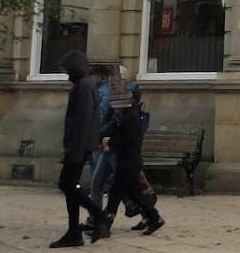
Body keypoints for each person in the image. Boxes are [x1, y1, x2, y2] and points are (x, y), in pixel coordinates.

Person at [51, 50, 108, 248]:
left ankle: (99, 215)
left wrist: (75, 149)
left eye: (68, 70)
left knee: (67, 184)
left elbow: (83, 119)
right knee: (70, 186)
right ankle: (74, 230)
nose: (67, 74)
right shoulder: (85, 84)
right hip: (79, 144)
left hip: (79, 144)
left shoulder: (83, 85)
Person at [93, 81, 164, 239]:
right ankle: (154, 218)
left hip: (129, 162)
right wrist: (99, 136)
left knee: (115, 193)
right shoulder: (122, 116)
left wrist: (110, 142)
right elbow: (110, 128)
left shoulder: (131, 117)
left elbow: (129, 140)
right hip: (126, 161)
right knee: (134, 193)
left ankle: (105, 224)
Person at [87, 64, 115, 207]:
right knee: (95, 162)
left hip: (99, 133)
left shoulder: (103, 91)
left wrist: (98, 132)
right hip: (97, 133)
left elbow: (101, 114)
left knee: (98, 163)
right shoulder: (99, 90)